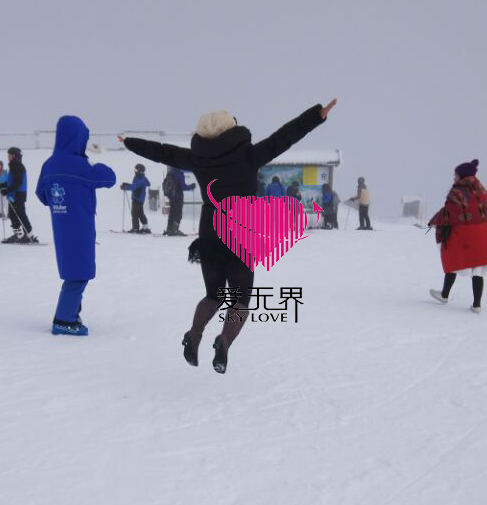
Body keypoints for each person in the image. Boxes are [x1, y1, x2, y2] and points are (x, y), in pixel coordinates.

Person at [121, 99, 337, 373]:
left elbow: (162, 152)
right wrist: (316, 116)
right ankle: (224, 340)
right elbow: (285, 136)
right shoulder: (249, 155)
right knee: (240, 300)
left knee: (213, 295)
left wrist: (130, 143)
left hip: (210, 229)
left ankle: (194, 334)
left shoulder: (197, 158)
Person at [35, 115, 116, 335]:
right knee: (79, 274)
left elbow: (42, 195)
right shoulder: (81, 165)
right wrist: (96, 161)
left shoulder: (49, 165)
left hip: (61, 226)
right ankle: (64, 320)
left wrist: (60, 202)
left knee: (73, 270)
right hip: (80, 227)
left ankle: (72, 313)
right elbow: (109, 178)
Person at [427, 159, 487, 313]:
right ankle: (476, 305)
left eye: (456, 174)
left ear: (462, 175)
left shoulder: (458, 191)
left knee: (453, 259)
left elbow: (450, 211)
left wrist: (435, 221)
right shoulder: (482, 191)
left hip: (463, 235)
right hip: (482, 235)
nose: (454, 177)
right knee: (477, 269)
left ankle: (444, 295)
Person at [0, 147, 37, 243]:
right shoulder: (14, 165)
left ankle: (29, 236)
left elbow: (18, 182)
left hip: (18, 194)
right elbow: (12, 180)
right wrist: (4, 185)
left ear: (14, 155)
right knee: (13, 215)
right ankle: (18, 234)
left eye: (9, 155)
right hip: (14, 194)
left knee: (20, 214)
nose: (8, 156)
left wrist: (7, 190)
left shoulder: (17, 166)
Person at [164, 165, 196, 235]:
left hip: (171, 197)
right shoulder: (179, 173)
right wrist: (191, 186)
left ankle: (169, 228)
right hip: (178, 197)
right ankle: (175, 229)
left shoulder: (170, 172)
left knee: (172, 213)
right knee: (178, 214)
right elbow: (183, 187)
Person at [120, 164, 151, 233]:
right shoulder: (140, 177)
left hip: (138, 199)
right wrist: (127, 184)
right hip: (138, 198)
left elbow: (134, 187)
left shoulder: (140, 178)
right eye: (135, 169)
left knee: (135, 214)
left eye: (136, 169)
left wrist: (125, 187)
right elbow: (135, 186)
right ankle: (145, 227)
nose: (135, 171)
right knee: (140, 214)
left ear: (140, 171)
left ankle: (135, 228)